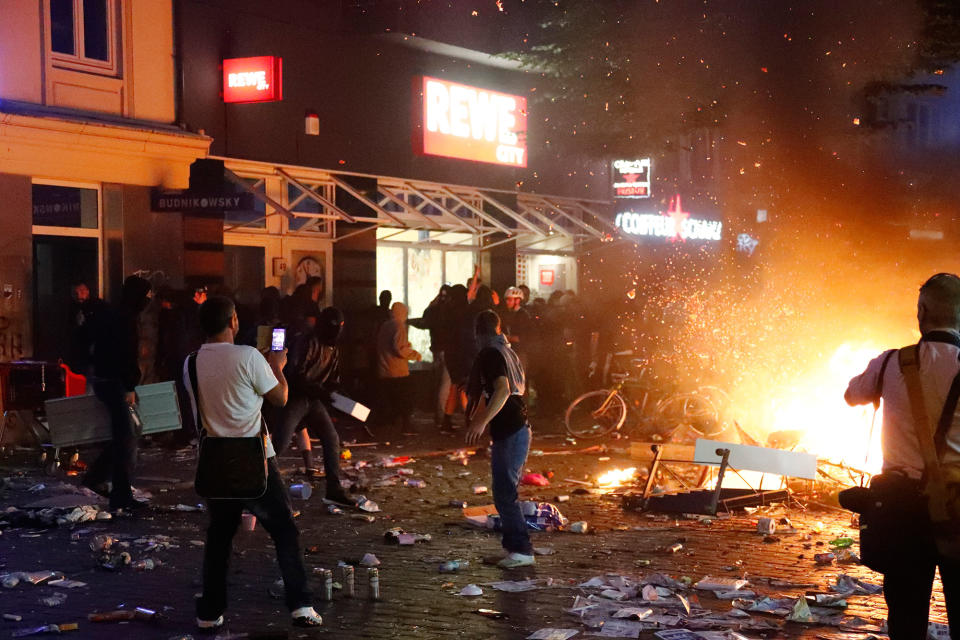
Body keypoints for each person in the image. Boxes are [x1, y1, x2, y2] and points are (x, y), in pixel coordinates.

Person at [185, 296, 321, 630]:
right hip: (254, 460)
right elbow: (280, 397)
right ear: (233, 321)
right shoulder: (248, 356)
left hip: (214, 462)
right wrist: (276, 366)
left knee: (220, 536)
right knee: (284, 530)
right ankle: (301, 605)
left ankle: (209, 613)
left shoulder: (189, 363)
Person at [845, 273, 960, 639]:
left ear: (921, 312)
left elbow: (852, 394)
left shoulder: (890, 362)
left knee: (906, 615)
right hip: (958, 508)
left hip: (900, 508)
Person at [465, 309, 534, 569]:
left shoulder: (492, 353)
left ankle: (521, 551)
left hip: (512, 429)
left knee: (505, 493)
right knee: (504, 492)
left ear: (478, 333)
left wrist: (481, 420)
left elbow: (504, 389)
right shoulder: (505, 349)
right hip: (513, 429)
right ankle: (514, 549)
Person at [81, 275, 152, 511]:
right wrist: (130, 386)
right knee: (126, 438)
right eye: (147, 295)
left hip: (104, 379)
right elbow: (126, 356)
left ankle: (96, 477)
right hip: (115, 382)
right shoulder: (126, 319)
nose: (149, 299)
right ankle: (120, 494)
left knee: (124, 434)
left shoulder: (113, 314)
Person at [275, 307, 354, 506]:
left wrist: (340, 397)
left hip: (313, 400)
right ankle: (255, 484)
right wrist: (323, 392)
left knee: (331, 438)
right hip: (296, 399)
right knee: (280, 443)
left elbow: (332, 379)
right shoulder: (308, 342)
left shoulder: (332, 347)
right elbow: (296, 375)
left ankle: (334, 489)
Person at [376, 301, 421, 432]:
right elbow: (400, 348)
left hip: (384, 369)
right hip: (398, 371)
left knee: (389, 399)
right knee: (404, 399)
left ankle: (387, 424)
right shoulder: (398, 326)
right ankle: (407, 426)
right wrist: (414, 354)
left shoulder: (385, 325)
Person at [65, 280, 105, 376]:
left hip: (94, 355)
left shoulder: (97, 306)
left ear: (88, 291)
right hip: (77, 355)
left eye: (82, 291)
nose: (79, 295)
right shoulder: (71, 309)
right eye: (76, 292)